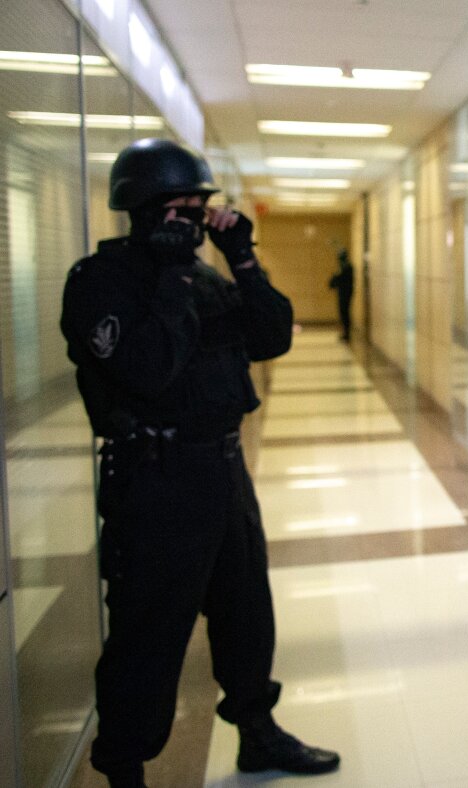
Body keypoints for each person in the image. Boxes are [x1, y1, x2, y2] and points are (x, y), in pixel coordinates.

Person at [60, 138, 340, 788]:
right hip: (155, 479)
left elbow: (272, 336)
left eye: (199, 206)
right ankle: (124, 766)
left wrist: (242, 258)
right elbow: (148, 368)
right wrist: (167, 277)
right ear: (142, 208)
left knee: (247, 612)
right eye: (179, 207)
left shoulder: (205, 277)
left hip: (223, 472)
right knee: (148, 633)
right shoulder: (102, 282)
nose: (192, 218)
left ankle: (257, 731)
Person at [328, 248, 354, 341]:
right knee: (343, 313)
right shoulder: (344, 267)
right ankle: (345, 332)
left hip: (345, 293)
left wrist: (335, 278)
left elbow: (340, 279)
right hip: (343, 292)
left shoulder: (347, 267)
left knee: (344, 313)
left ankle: (347, 333)